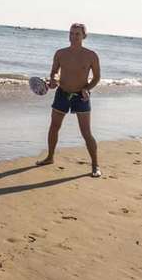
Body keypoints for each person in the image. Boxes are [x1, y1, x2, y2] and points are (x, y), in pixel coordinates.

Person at [36, 23, 102, 177]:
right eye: (71, 33)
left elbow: (97, 77)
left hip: (81, 96)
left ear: (84, 36)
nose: (73, 36)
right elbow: (54, 72)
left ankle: (95, 165)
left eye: (77, 34)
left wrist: (87, 88)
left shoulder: (91, 55)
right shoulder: (60, 53)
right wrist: (53, 80)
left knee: (86, 133)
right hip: (62, 93)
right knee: (54, 127)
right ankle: (50, 157)